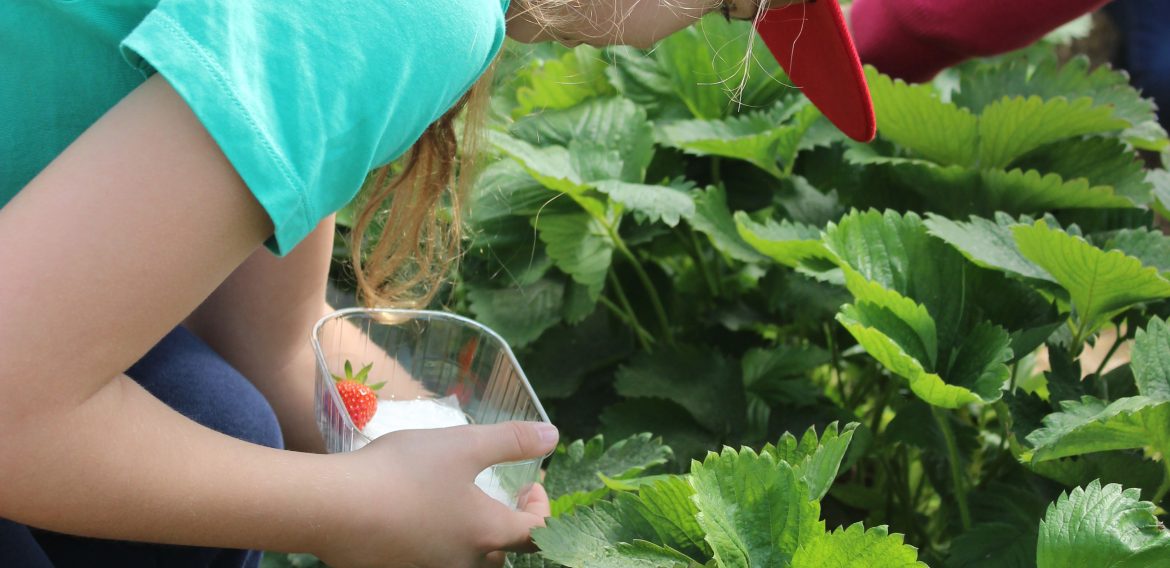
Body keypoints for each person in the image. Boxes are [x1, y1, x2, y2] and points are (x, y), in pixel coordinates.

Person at [0, 1, 869, 566]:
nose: (686, 35)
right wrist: (356, 509)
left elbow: (268, 338)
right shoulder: (418, 15)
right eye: (732, 4)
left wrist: (444, 474)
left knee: (215, 422)